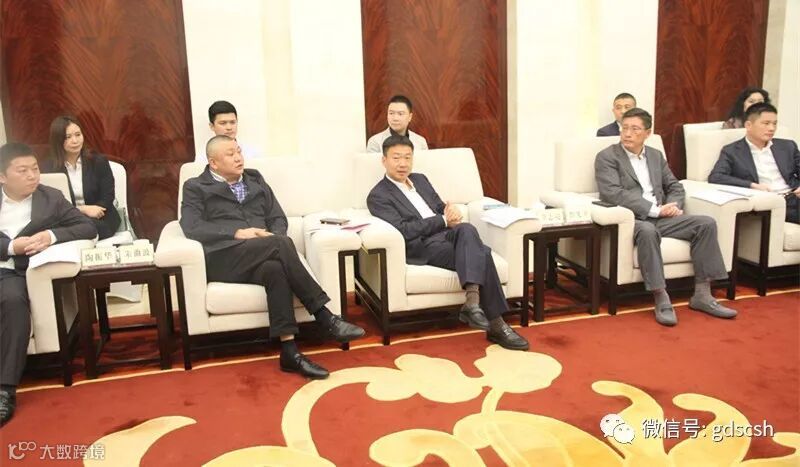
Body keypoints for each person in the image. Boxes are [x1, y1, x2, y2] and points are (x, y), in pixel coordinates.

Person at [180, 135, 365, 379]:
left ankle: (289, 352)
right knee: (280, 245)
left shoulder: (255, 178)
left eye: (239, 151)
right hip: (225, 257)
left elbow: (277, 217)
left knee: (275, 269)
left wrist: (271, 237)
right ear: (213, 163)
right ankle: (325, 317)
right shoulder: (196, 186)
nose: (238, 157)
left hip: (263, 250)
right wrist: (238, 233)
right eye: (230, 154)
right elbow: (191, 226)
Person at [366, 135, 529, 350]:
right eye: (396, 158)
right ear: (384, 160)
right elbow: (405, 230)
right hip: (423, 245)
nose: (403, 163)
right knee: (482, 253)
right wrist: (443, 220)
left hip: (447, 234)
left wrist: (449, 210)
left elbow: (438, 206)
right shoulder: (378, 195)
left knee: (467, 228)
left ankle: (472, 304)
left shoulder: (420, 180)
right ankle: (496, 324)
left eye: (407, 157)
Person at [594, 108, 736, 326]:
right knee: (648, 231)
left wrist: (674, 206)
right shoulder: (607, 156)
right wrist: (654, 210)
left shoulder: (655, 155)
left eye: (635, 129)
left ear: (648, 133)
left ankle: (703, 294)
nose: (628, 133)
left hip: (662, 216)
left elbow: (674, 186)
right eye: (625, 128)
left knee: (706, 224)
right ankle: (661, 296)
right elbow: (612, 193)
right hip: (633, 219)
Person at [0, 143, 97, 425]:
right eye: (22, 171)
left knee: (13, 301)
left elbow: (87, 227)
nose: (32, 176)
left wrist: (51, 236)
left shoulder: (50, 198)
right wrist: (11, 247)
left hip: (16, 275)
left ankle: (5, 390)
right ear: (2, 177)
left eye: (35, 169)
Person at [709, 103, 799, 223]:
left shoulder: (788, 146)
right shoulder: (732, 151)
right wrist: (752, 185)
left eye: (774, 123)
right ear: (748, 125)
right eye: (766, 123)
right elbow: (716, 177)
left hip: (794, 197)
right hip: (769, 204)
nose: (772, 128)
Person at [44, 116, 120, 240]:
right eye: (68, 137)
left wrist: (93, 211)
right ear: (58, 140)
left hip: (100, 218)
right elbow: (52, 204)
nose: (75, 141)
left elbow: (107, 196)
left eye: (78, 135)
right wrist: (82, 210)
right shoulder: (48, 168)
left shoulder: (98, 161)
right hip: (67, 219)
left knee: (87, 229)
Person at [196, 100, 260, 161]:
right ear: (212, 126)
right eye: (223, 123)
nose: (229, 127)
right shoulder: (203, 157)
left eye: (232, 122)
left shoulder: (252, 153)